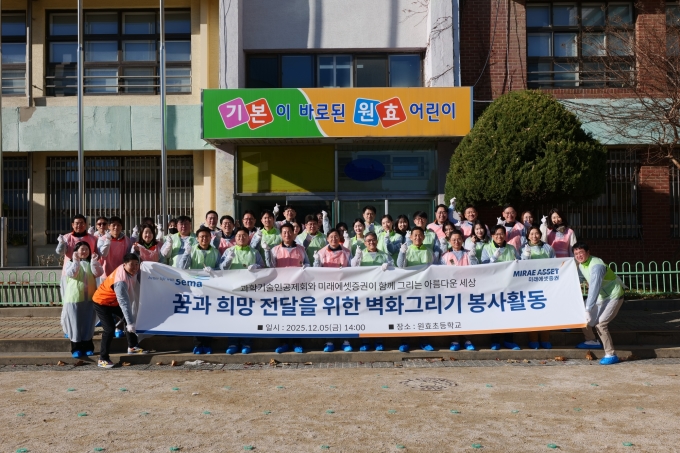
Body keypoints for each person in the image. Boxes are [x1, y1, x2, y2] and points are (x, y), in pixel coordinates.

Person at [92, 254, 147, 368]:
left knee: (129, 318)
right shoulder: (120, 281)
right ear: (124, 264)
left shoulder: (130, 272)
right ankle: (103, 359)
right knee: (109, 329)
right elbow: (124, 303)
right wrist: (130, 323)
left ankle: (132, 346)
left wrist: (130, 321)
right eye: (132, 264)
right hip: (101, 302)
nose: (135, 267)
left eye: (137, 264)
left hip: (113, 301)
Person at [573, 242, 624, 365]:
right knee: (581, 314)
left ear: (588, 252)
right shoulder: (581, 264)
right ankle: (591, 340)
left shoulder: (597, 266)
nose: (579, 256)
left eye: (581, 252)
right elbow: (578, 280)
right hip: (601, 296)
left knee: (601, 324)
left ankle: (611, 354)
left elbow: (594, 288)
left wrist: (588, 309)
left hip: (614, 296)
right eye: (576, 253)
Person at [264, 223, 309, 354]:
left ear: (294, 233)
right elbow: (270, 266)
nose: (287, 235)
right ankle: (283, 343)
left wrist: (305, 267)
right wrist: (267, 252)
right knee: (282, 315)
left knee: (297, 315)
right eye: (284, 232)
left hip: (297, 287)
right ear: (281, 234)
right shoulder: (275, 249)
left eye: (289, 232)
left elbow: (308, 263)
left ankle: (297, 342)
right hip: (281, 288)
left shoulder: (301, 249)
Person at [220, 227, 264, 355]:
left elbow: (263, 267)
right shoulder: (229, 251)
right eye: (239, 235)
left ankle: (247, 343)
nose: (241, 238)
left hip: (250, 290)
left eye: (244, 235)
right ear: (235, 238)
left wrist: (257, 267)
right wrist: (228, 260)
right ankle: (232, 343)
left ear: (249, 237)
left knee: (248, 317)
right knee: (233, 316)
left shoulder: (254, 252)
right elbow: (221, 268)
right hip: (232, 289)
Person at [178, 226, 221, 355]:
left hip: (210, 289)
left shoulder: (216, 252)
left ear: (210, 238)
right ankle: (198, 344)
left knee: (209, 317)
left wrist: (214, 270)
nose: (204, 239)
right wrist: (186, 254)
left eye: (207, 236)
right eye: (201, 236)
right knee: (197, 317)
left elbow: (221, 269)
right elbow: (182, 267)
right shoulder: (191, 250)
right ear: (197, 238)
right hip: (195, 289)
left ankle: (207, 344)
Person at [60, 241, 104, 358]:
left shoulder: (92, 262)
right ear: (76, 251)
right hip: (74, 298)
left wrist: (94, 262)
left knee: (88, 323)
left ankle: (88, 346)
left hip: (89, 298)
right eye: (82, 249)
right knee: (74, 323)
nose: (84, 251)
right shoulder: (70, 263)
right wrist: (76, 261)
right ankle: (76, 347)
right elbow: (72, 273)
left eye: (86, 249)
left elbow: (98, 273)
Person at [481, 225, 521, 350]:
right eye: (496, 234)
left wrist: (523, 258)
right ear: (492, 236)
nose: (499, 236)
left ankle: (509, 340)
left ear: (505, 235)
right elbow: (483, 266)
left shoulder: (511, 248)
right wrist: (493, 259)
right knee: (495, 312)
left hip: (509, 285)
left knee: (510, 313)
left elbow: (519, 263)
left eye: (501, 234)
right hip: (494, 286)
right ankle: (495, 341)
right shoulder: (486, 247)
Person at [351, 231, 392, 352]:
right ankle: (365, 341)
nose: (371, 242)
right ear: (364, 243)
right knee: (365, 317)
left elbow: (394, 267)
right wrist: (357, 257)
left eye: (373, 240)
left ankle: (379, 341)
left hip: (380, 291)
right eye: (368, 240)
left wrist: (388, 266)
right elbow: (352, 268)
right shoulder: (361, 254)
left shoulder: (384, 255)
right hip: (365, 291)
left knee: (379, 316)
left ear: (377, 241)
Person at [313, 229, 353, 353]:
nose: (334, 239)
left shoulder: (347, 252)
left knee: (344, 315)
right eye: (331, 237)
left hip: (343, 289)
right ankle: (329, 341)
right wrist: (316, 261)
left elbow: (353, 269)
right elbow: (316, 271)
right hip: (327, 290)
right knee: (329, 315)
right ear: (327, 238)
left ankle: (345, 340)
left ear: (339, 238)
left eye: (336, 236)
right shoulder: (321, 252)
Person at [397, 227, 434, 352]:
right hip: (409, 288)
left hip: (424, 288)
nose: (418, 237)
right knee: (407, 315)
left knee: (424, 315)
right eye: (415, 235)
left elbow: (433, 268)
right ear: (411, 237)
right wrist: (402, 253)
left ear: (424, 237)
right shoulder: (407, 249)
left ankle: (424, 341)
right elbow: (400, 266)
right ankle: (405, 341)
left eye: (420, 235)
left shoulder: (428, 251)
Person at [440, 230, 478, 351]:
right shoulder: (445, 256)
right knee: (453, 315)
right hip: (451, 291)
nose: (456, 242)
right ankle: (454, 340)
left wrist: (473, 258)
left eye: (459, 239)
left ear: (462, 240)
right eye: (453, 240)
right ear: (449, 241)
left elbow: (476, 269)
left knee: (467, 315)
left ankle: (467, 339)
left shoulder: (468, 253)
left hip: (467, 290)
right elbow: (440, 273)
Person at [521, 226, 556, 350]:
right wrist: (526, 257)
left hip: (545, 284)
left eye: (536, 233)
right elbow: (520, 266)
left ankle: (545, 339)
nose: (534, 236)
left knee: (545, 311)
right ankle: (533, 340)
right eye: (531, 234)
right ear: (528, 236)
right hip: (529, 285)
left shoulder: (548, 248)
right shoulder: (523, 248)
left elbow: (554, 264)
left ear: (540, 235)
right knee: (532, 311)